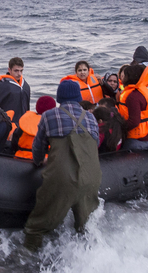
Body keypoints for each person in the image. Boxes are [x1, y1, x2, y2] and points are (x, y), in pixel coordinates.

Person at [23, 80, 101, 251]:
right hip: (92, 176)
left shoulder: (49, 116)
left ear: (59, 98)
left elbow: (38, 147)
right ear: (79, 98)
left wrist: (37, 162)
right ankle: (88, 257)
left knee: (37, 225)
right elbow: (96, 143)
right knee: (85, 226)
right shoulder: (90, 117)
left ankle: (28, 260)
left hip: (63, 179)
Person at [117, 63, 148, 151]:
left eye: (124, 75)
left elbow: (134, 122)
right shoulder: (143, 90)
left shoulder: (132, 97)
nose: (122, 78)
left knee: (121, 148)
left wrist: (118, 128)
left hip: (143, 140)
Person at [11, 95, 56, 160]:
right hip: (44, 161)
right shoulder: (54, 126)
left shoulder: (25, 123)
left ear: (37, 107)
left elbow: (14, 142)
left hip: (21, 158)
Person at [0, 57, 31, 124]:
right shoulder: (1, 85)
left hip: (22, 124)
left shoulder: (25, 86)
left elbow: (27, 107)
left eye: (21, 71)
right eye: (16, 71)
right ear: (9, 70)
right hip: (7, 124)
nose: (19, 74)